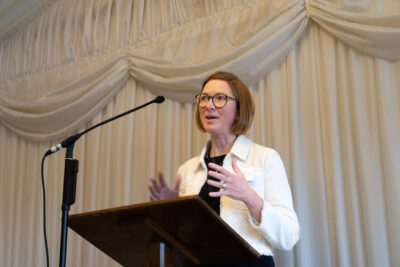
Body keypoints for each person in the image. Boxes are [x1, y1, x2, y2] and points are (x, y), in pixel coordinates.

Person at [149, 71, 299, 266]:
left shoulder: (265, 158)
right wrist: (168, 212)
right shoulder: (187, 170)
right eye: (204, 98)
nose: (208, 105)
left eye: (220, 98)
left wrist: (250, 197)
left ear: (239, 110)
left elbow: (289, 236)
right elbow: (181, 240)